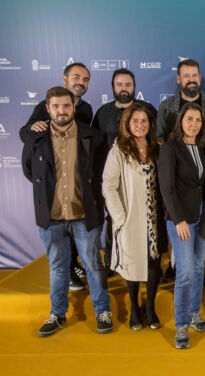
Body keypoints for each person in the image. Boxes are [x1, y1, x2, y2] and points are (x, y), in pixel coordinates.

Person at [21, 86, 111, 336]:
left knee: (93, 265)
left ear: (73, 107)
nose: (61, 111)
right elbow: (29, 170)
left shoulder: (92, 137)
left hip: (84, 215)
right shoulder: (35, 138)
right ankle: (57, 314)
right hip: (51, 218)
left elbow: (100, 173)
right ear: (47, 109)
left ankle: (103, 311)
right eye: (56, 106)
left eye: (66, 106)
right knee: (58, 267)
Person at [20, 62, 93, 291]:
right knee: (60, 232)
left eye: (84, 79)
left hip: (76, 181)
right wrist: (44, 181)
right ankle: (69, 270)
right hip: (53, 183)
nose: (80, 82)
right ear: (65, 79)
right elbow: (26, 134)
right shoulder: (45, 105)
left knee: (76, 226)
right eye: (76, 77)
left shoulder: (87, 109)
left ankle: (75, 265)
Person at [101, 103, 166, 331]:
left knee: (154, 262)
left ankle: (150, 306)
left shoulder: (158, 147)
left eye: (144, 121)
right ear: (127, 124)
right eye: (135, 121)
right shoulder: (119, 149)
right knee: (131, 262)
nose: (140, 125)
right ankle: (134, 308)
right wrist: (120, 217)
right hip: (130, 217)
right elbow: (109, 185)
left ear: (150, 125)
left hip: (155, 218)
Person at [156, 58, 205, 284]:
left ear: (199, 78)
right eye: (186, 76)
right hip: (178, 179)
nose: (191, 80)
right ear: (178, 79)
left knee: (200, 236)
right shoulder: (167, 107)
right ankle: (178, 270)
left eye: (194, 75)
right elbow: (161, 141)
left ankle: (192, 279)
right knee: (181, 232)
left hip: (204, 177)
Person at [93, 68, 157, 275]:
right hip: (114, 178)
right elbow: (95, 146)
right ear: (113, 87)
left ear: (134, 87)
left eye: (128, 85)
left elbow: (155, 140)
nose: (124, 88)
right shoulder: (103, 113)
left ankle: (148, 261)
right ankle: (115, 262)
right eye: (119, 85)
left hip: (141, 181)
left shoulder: (147, 109)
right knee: (114, 220)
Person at [158, 102, 205, 349]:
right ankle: (180, 325)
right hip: (181, 220)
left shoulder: (200, 148)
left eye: (198, 120)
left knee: (199, 268)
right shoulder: (170, 148)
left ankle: (193, 314)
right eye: (190, 119)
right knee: (186, 273)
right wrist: (178, 218)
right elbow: (167, 187)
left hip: (202, 218)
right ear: (181, 121)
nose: (194, 124)